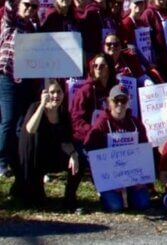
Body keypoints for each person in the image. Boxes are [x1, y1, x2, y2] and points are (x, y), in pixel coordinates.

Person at [13, 80, 83, 211]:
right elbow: (30, 128)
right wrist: (42, 105)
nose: (56, 96)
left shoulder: (63, 113)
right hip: (34, 157)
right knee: (37, 203)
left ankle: (69, 199)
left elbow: (66, 140)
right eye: (52, 92)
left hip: (52, 154)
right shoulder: (35, 107)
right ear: (44, 94)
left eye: (59, 92)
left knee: (80, 161)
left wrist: (73, 155)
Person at [84, 85, 150, 213]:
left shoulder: (136, 124)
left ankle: (131, 195)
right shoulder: (101, 123)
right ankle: (105, 195)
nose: (120, 104)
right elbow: (90, 150)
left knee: (143, 204)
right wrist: (108, 180)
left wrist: (142, 179)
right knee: (116, 207)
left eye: (123, 100)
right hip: (109, 178)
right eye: (116, 100)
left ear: (129, 101)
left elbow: (145, 152)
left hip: (133, 177)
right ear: (109, 102)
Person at [0, 0, 39, 176]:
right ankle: (1, 161)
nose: (29, 9)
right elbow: (8, 7)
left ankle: (15, 161)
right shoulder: (11, 21)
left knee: (19, 124)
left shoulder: (32, 29)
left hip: (24, 80)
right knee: (7, 120)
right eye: (27, 5)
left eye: (34, 7)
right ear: (19, 3)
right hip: (6, 77)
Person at [70, 54, 117, 148]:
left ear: (109, 68)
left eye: (102, 65)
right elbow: (76, 120)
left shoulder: (115, 90)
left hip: (111, 138)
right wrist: (94, 131)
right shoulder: (85, 91)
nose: (98, 68)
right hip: (88, 139)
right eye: (95, 66)